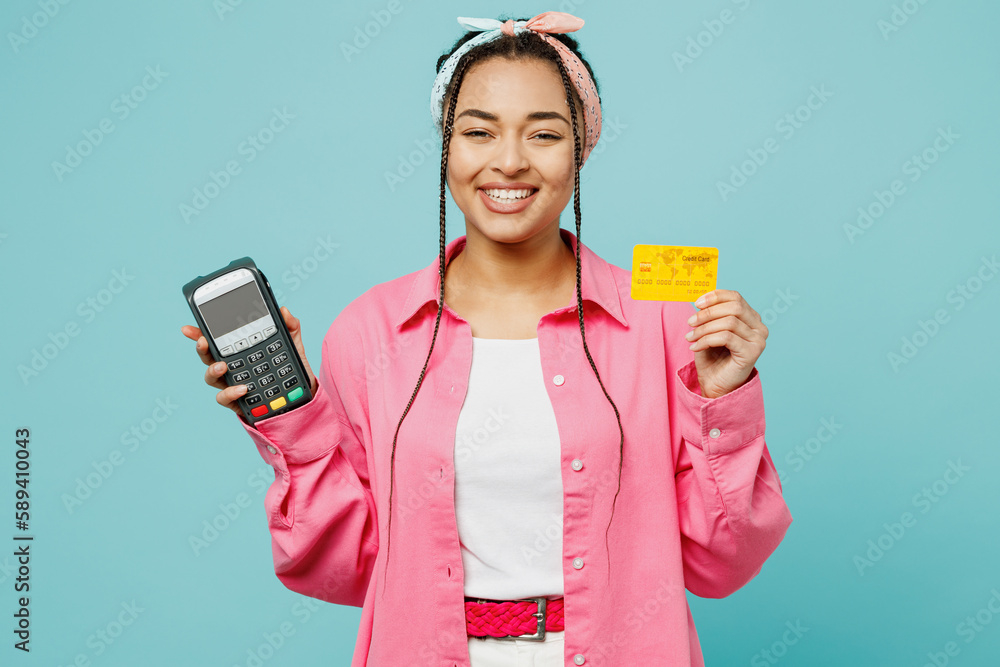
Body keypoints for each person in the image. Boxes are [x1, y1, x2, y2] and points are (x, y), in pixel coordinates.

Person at [181, 11, 792, 666]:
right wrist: (297, 423)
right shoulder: (371, 331)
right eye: (478, 131)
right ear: (445, 143)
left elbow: (723, 563)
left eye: (544, 134)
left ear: (583, 144)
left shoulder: (664, 321)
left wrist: (724, 398)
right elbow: (338, 567)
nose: (508, 161)